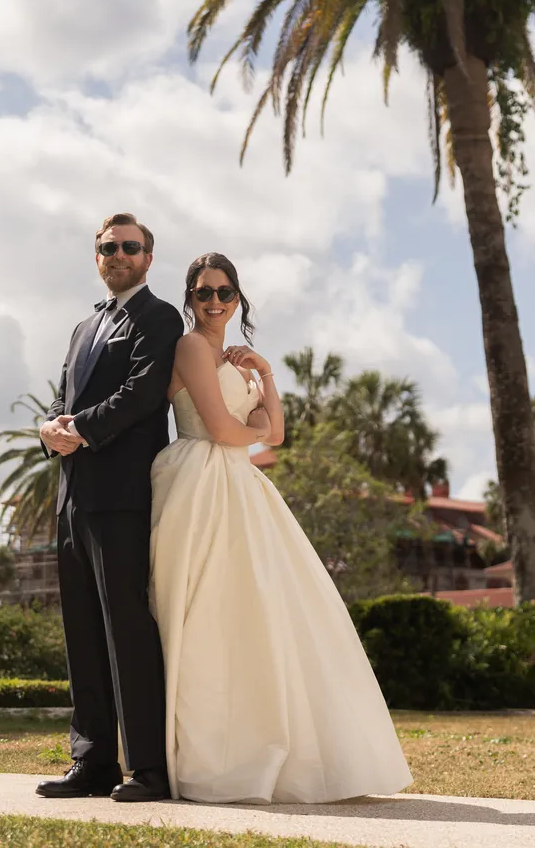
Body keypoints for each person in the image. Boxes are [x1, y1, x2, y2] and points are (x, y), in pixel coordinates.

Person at [150, 252, 412, 803]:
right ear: (190, 300)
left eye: (225, 293)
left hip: (241, 486)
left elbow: (279, 433)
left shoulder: (243, 362)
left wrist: (266, 374)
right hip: (199, 483)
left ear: (238, 298)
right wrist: (254, 428)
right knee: (206, 611)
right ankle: (203, 757)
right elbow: (226, 429)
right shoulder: (191, 346)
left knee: (259, 612)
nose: (215, 302)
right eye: (204, 293)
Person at [35, 212, 184, 803]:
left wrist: (81, 429)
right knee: (83, 637)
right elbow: (62, 396)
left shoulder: (159, 317)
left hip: (123, 499)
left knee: (128, 633)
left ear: (149, 257)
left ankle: (148, 769)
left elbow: (144, 394)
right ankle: (93, 762)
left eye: (129, 246)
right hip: (72, 499)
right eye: (107, 247)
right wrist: (51, 428)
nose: (117, 254)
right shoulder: (82, 327)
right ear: (95, 255)